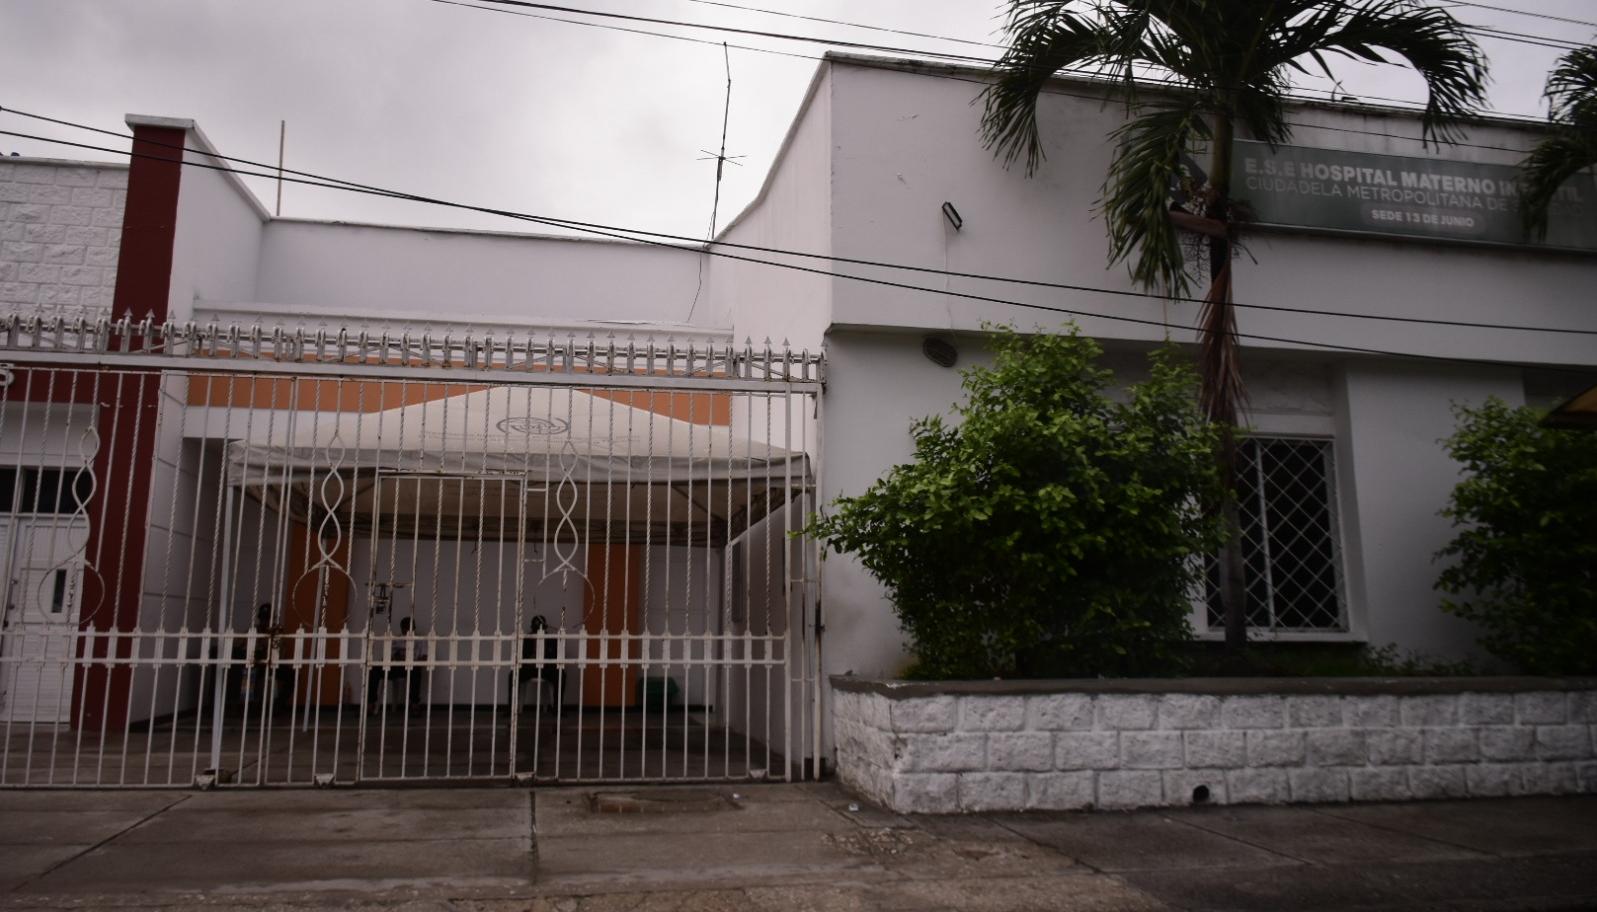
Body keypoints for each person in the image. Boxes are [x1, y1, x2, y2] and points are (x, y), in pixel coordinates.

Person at [368, 617, 426, 715]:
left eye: (409, 628)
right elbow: (386, 657)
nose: (407, 631)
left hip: (411, 667)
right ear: (402, 629)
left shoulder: (421, 641)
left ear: (414, 628)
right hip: (396, 667)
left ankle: (414, 704)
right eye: (405, 628)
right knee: (374, 670)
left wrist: (411, 660)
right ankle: (370, 703)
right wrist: (394, 657)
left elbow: (424, 658)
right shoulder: (397, 640)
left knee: (416, 671)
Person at [511, 615, 563, 713]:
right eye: (536, 629)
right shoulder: (527, 639)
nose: (538, 631)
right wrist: (529, 659)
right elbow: (522, 655)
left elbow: (555, 656)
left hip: (546, 668)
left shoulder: (551, 639)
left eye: (540, 628)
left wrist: (545, 659)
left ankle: (557, 708)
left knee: (561, 674)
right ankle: (511, 708)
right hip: (530, 668)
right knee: (513, 675)